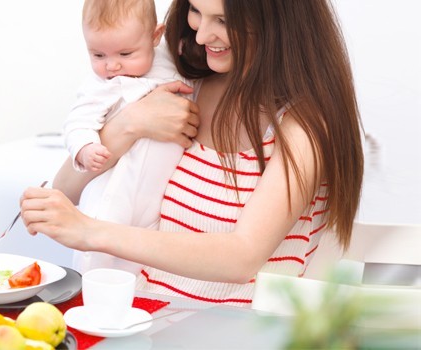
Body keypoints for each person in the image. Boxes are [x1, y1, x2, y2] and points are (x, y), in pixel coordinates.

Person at [21, 0, 364, 307]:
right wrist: (129, 124)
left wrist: (91, 231)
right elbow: (66, 189)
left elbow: (241, 257)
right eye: (196, 12)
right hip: (149, 317)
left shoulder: (305, 125)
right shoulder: (189, 87)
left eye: (223, 21)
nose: (201, 36)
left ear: (275, 21)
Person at [63, 0, 191, 273]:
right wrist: (85, 148)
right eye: (98, 55)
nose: (112, 66)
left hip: (154, 199)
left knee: (143, 264)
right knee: (97, 261)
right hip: (112, 193)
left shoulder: (168, 60)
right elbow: (78, 121)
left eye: (125, 53)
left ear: (155, 36)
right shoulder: (101, 86)